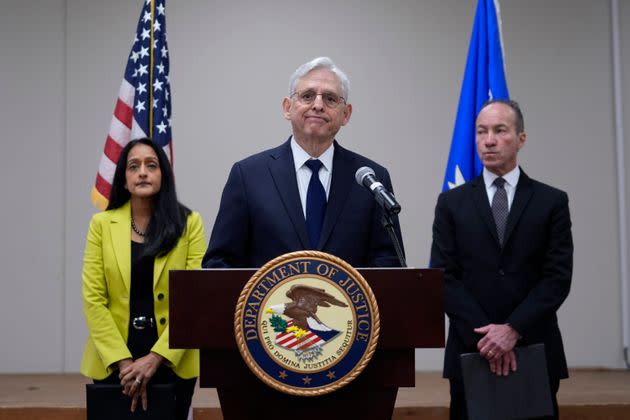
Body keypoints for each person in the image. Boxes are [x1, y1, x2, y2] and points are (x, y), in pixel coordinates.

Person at [430, 99, 573, 419]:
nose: (489, 140)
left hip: (534, 347)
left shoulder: (551, 202)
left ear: (521, 138)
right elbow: (443, 276)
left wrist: (512, 330)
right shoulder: (451, 203)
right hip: (471, 349)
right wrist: (489, 337)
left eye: (500, 130)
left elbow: (557, 278)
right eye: (481, 131)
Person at [202, 56, 403, 269]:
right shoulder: (248, 176)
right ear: (287, 108)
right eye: (307, 96)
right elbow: (219, 263)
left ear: (346, 114)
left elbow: (388, 266)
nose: (318, 105)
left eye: (330, 99)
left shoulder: (371, 180)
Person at [81, 138, 206, 419]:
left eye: (151, 165)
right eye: (133, 166)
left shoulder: (189, 223)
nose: (142, 172)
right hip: (114, 360)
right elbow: (93, 299)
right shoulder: (101, 225)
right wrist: (124, 364)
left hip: (172, 356)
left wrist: (155, 358)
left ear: (164, 175)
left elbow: (194, 299)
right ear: (124, 180)